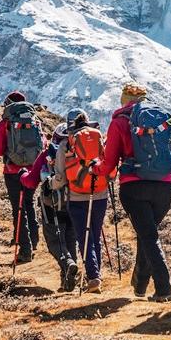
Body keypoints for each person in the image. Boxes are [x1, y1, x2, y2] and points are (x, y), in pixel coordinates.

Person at [97, 83, 171, 302]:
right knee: (148, 235)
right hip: (164, 185)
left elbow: (110, 161)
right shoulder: (160, 120)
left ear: (123, 100)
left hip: (134, 186)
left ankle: (164, 288)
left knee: (148, 237)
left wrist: (97, 169)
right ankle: (140, 286)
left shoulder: (119, 122)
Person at [53, 108, 110, 293]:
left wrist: (49, 184)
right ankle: (96, 275)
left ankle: (93, 278)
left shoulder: (66, 144)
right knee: (95, 235)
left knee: (84, 238)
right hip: (100, 193)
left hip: (77, 197)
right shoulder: (99, 138)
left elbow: (60, 178)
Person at [17, 122, 77, 291]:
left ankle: (68, 264)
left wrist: (22, 174)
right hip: (76, 202)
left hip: (51, 204)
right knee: (71, 238)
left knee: (54, 241)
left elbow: (30, 181)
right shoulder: (77, 153)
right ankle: (67, 279)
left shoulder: (47, 155)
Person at [0, 90, 41, 262]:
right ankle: (33, 241)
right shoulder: (34, 121)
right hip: (32, 171)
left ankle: (25, 251)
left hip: (12, 171)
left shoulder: (6, 123)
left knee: (18, 210)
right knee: (29, 204)